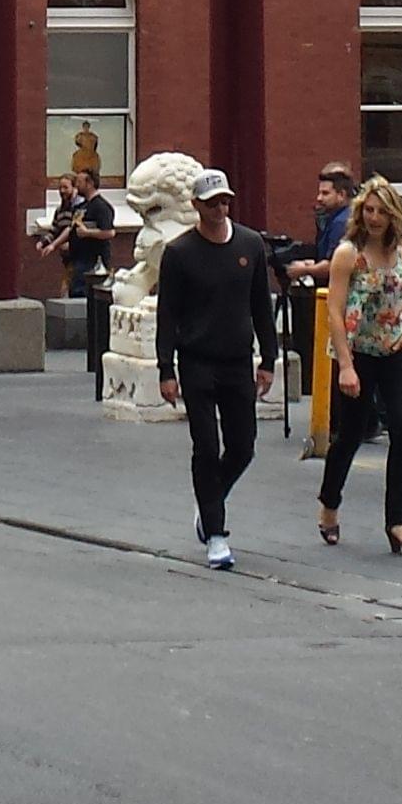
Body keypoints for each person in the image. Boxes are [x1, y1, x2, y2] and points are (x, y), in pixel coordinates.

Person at [152, 167, 278, 570]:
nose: (220, 208)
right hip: (197, 360)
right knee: (206, 446)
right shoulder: (180, 253)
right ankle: (217, 534)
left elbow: (262, 305)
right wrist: (165, 369)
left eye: (225, 200)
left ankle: (209, 501)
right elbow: (167, 314)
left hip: (238, 359)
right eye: (211, 203)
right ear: (196, 206)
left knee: (243, 445)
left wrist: (269, 359)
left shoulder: (250, 245)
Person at [316, 176, 402, 556]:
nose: (375, 218)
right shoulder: (349, 254)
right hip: (358, 350)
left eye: (382, 211)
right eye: (369, 210)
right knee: (350, 434)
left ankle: (398, 521)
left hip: (396, 348)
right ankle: (330, 504)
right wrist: (345, 365)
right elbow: (334, 309)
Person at [41, 164, 118, 298]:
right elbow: (70, 228)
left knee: (85, 296)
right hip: (78, 260)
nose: (77, 185)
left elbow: (110, 232)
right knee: (75, 293)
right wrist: (53, 244)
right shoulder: (82, 207)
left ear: (90, 183)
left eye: (80, 182)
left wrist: (88, 233)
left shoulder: (101, 207)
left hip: (93, 263)